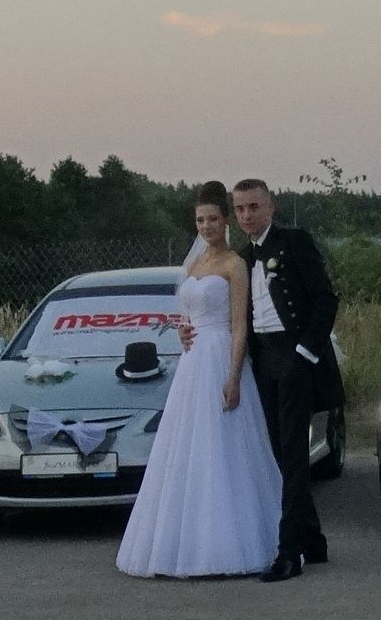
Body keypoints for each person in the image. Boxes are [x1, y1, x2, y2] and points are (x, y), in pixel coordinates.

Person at [113, 183, 283, 579]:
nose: (207, 226)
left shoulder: (234, 265)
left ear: (226, 221)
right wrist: (182, 330)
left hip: (221, 355)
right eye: (200, 220)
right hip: (192, 364)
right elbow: (187, 314)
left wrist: (234, 377)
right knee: (186, 447)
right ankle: (183, 542)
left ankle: (231, 542)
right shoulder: (193, 265)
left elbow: (239, 327)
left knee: (224, 447)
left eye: (213, 219)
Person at [231, 178, 337, 582]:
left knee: (293, 454)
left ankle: (289, 554)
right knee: (277, 453)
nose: (247, 215)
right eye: (240, 209)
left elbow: (325, 299)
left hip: (294, 355)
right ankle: (314, 540)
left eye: (253, 207)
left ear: (271, 206)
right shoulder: (243, 257)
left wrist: (304, 354)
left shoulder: (294, 242)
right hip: (262, 360)